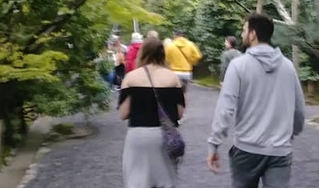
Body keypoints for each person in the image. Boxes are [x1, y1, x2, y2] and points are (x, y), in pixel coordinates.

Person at [207, 12, 305, 188]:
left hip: (246, 149)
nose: (242, 34)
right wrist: (290, 135)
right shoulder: (288, 66)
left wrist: (214, 143)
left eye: (244, 30)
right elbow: (299, 109)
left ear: (253, 34)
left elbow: (225, 108)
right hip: (280, 151)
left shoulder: (239, 66)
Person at [118, 37, 185, 188]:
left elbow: (123, 114)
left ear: (142, 53)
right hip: (164, 137)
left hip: (138, 136)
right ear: (162, 54)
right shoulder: (173, 78)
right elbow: (180, 113)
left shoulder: (131, 78)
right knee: (165, 181)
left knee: (138, 181)